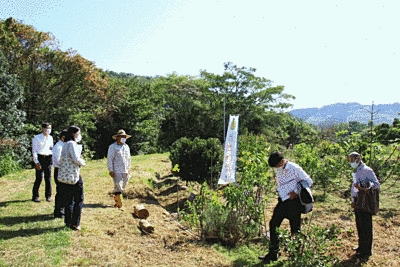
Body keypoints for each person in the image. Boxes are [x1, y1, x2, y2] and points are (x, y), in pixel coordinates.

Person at [259, 151, 313, 264]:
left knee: (295, 229)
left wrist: (296, 192)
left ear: (282, 161)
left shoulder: (294, 167)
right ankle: (273, 253)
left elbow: (308, 181)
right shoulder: (279, 169)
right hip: (283, 201)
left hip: (294, 203)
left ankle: (295, 256)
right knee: (273, 224)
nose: (276, 168)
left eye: (277, 165)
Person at [348, 152, 380, 260]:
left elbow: (376, 184)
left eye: (352, 160)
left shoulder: (367, 170)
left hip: (365, 201)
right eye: (350, 160)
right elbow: (354, 186)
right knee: (359, 225)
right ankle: (361, 247)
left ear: (358, 159)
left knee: (366, 226)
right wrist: (353, 199)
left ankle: (367, 251)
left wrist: (364, 188)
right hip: (358, 201)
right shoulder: (356, 171)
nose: (351, 162)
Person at [58, 125, 86, 230]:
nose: (79, 135)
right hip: (73, 175)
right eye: (78, 133)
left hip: (65, 176)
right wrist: (83, 162)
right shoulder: (72, 144)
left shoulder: (64, 144)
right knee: (79, 199)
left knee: (68, 199)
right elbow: (75, 158)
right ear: (74, 134)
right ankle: (75, 223)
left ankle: (68, 222)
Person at [107, 129, 131, 208]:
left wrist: (129, 168)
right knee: (118, 186)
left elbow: (128, 158)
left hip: (125, 170)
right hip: (116, 169)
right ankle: (118, 203)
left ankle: (118, 202)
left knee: (123, 186)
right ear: (117, 137)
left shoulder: (126, 147)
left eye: (125, 136)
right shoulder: (112, 147)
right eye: (122, 136)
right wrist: (111, 170)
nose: (124, 138)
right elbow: (110, 159)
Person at [31, 122, 54, 202]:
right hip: (40, 158)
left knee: (48, 178)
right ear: (43, 129)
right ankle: (35, 196)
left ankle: (48, 196)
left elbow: (51, 148)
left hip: (48, 158)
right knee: (39, 178)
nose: (49, 130)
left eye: (50, 128)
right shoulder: (36, 138)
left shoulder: (50, 138)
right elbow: (34, 151)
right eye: (47, 128)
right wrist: (36, 162)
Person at [52, 129, 67, 218]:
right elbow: (57, 161)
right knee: (61, 191)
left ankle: (61, 209)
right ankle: (58, 211)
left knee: (63, 191)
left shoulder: (63, 145)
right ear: (63, 137)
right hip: (59, 170)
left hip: (63, 170)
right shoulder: (58, 147)